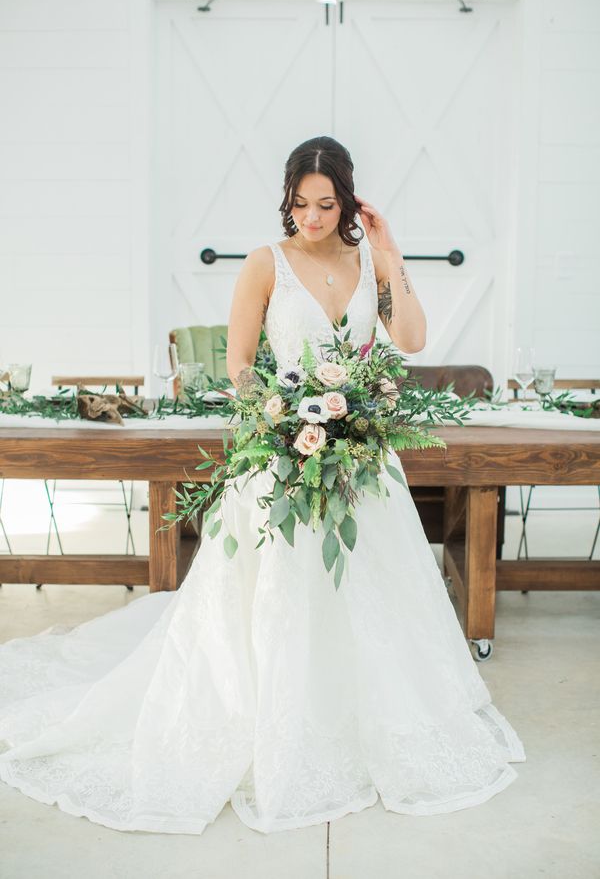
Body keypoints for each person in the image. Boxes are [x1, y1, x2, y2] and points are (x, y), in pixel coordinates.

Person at [0, 136, 525, 836]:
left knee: (366, 597)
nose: (311, 218)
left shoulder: (370, 261)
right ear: (288, 200)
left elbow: (415, 338)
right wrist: (277, 412)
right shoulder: (263, 264)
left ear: (347, 201)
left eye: (326, 204)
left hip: (362, 463)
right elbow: (240, 364)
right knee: (276, 596)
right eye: (300, 204)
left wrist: (390, 251)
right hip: (280, 456)